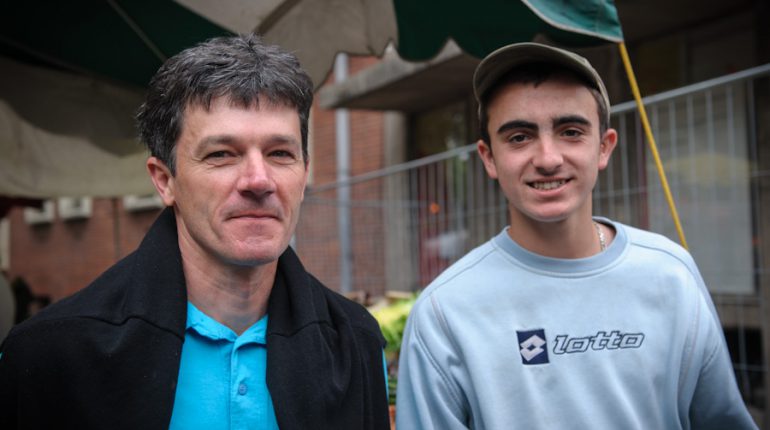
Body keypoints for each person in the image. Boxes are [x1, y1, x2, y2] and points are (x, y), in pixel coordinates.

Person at [0, 35, 390, 430]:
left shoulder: (355, 343)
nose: (259, 180)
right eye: (221, 154)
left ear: (304, 174)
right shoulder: (50, 355)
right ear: (164, 181)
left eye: (280, 153)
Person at [396, 42, 757, 429]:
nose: (548, 158)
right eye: (519, 137)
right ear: (488, 158)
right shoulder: (446, 311)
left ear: (604, 147)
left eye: (570, 131)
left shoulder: (670, 274)